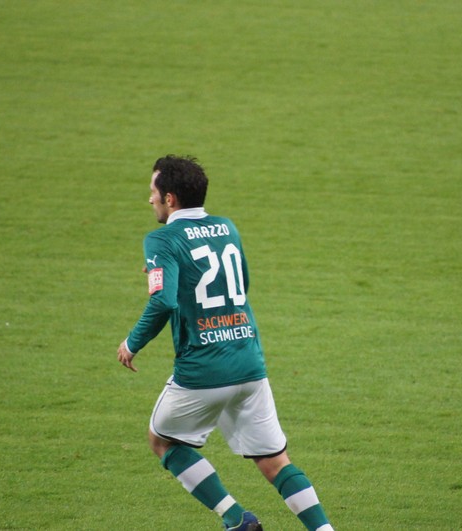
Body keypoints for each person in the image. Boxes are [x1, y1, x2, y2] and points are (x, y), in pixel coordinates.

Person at [116, 155, 334, 531]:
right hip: (249, 364)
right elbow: (239, 285)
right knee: (275, 462)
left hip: (202, 372)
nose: (149, 199)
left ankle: (236, 518)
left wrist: (132, 343)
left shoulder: (161, 239)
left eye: (152, 192)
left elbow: (163, 301)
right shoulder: (226, 227)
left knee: (162, 441)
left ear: (170, 198)